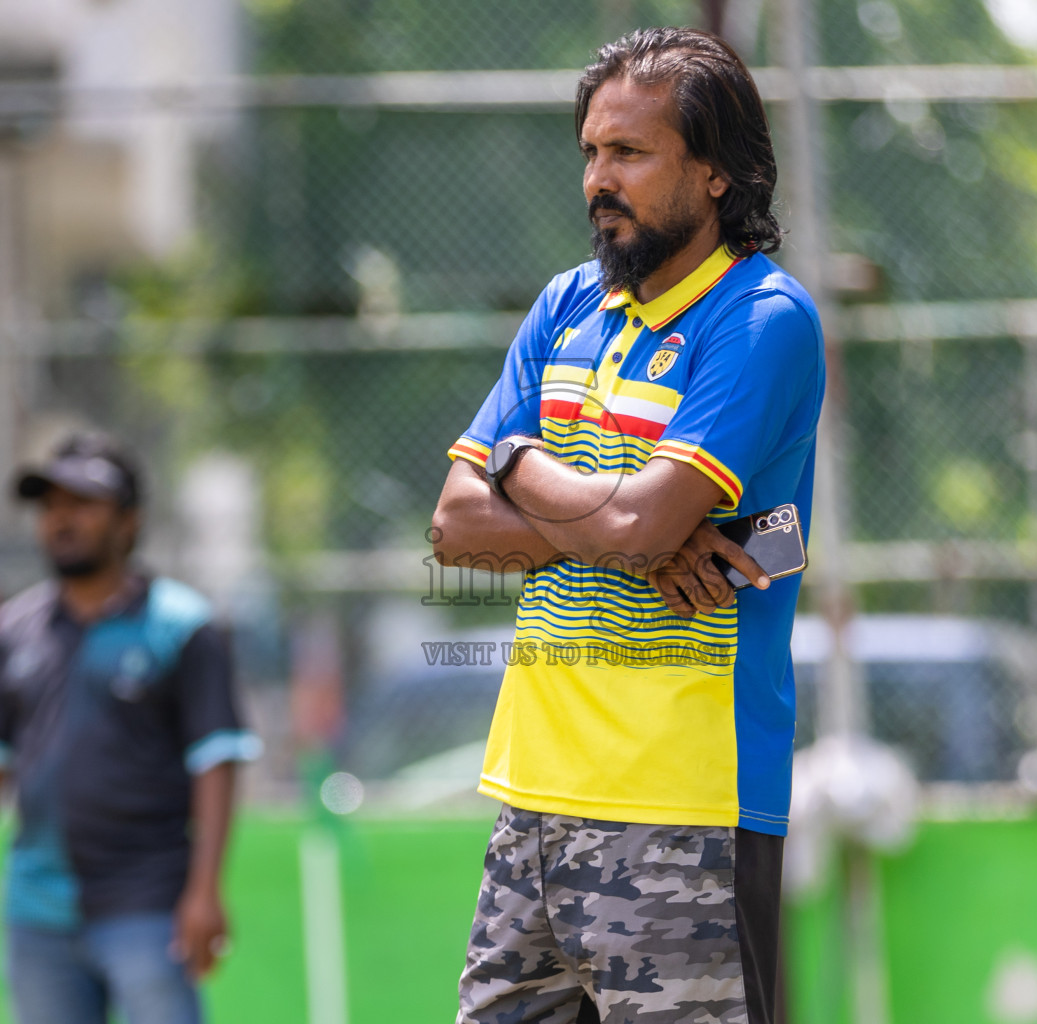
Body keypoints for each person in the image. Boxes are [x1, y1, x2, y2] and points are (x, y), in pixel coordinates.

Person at [432, 26, 825, 1024]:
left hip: (685, 812)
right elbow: (454, 526)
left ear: (719, 173)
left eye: (630, 154)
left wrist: (518, 464)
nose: (597, 180)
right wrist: (615, 524)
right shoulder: (566, 304)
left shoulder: (761, 320)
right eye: (591, 153)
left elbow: (649, 525)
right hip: (531, 802)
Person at [0, 433, 262, 1024]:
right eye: (49, 506)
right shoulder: (14, 627)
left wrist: (205, 892)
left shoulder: (184, 625)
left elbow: (216, 763)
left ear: (130, 521)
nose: (61, 520)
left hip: (148, 907)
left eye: (82, 504)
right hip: (38, 911)